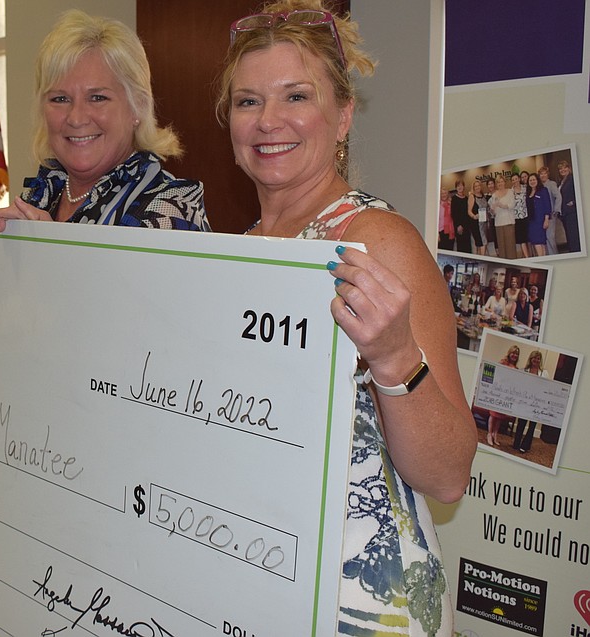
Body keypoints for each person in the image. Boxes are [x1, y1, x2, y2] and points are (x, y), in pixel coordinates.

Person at [217, 2, 476, 633]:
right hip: (253, 576)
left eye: (296, 95)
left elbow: (447, 475)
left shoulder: (375, 242)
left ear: (344, 116)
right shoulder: (232, 248)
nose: (269, 121)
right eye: (248, 101)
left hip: (358, 601)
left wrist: (394, 359)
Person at [0, 10, 210, 234]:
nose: (76, 118)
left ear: (138, 106)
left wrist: (55, 253)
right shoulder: (41, 194)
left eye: (97, 97)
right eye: (60, 99)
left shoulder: (171, 206)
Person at [512, 350, 549, 453]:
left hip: (537, 403)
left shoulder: (544, 373)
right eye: (534, 358)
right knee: (521, 423)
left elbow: (546, 388)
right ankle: (516, 444)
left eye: (538, 358)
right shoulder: (524, 370)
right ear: (530, 359)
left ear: (540, 360)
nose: (536, 360)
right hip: (525, 402)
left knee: (532, 426)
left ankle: (525, 446)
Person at [488, 345, 520, 446]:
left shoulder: (516, 368)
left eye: (517, 354)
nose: (514, 355)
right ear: (509, 353)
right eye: (513, 353)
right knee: (493, 415)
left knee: (500, 417)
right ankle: (489, 434)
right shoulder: (503, 362)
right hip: (498, 392)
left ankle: (495, 434)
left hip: (506, 395)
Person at [490, 175, 517, 259]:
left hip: (508, 222)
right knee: (501, 247)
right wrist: (492, 209)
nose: (500, 183)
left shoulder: (510, 192)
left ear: (504, 182)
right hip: (498, 223)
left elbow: (512, 205)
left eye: (501, 181)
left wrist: (502, 205)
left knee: (510, 246)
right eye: (498, 182)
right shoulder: (494, 195)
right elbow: (492, 213)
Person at [527, 172, 552, 257]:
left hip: (540, 220)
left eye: (534, 179)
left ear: (537, 180)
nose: (532, 181)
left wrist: (546, 219)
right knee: (538, 242)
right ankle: (543, 258)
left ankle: (541, 258)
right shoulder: (528, 193)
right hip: (531, 221)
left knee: (539, 241)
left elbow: (547, 205)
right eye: (530, 180)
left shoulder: (543, 190)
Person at [539, 165, 562, 255]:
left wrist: (556, 210)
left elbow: (558, 196)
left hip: (551, 215)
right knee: (546, 238)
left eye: (545, 173)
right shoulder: (540, 186)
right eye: (541, 174)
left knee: (550, 237)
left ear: (548, 174)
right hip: (543, 216)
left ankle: (555, 255)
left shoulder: (551, 184)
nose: (543, 175)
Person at [557, 160, 579, 253]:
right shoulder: (561, 181)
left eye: (564, 167)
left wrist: (573, 202)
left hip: (571, 212)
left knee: (573, 235)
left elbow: (578, 193)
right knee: (569, 236)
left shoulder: (572, 179)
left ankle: (576, 252)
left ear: (569, 168)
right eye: (560, 168)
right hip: (564, 213)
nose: (562, 170)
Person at [510, 173, 530, 258]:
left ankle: (530, 255)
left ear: (519, 179)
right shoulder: (510, 192)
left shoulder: (525, 188)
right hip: (517, 218)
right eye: (513, 180)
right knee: (521, 239)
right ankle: (527, 257)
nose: (515, 181)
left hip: (526, 216)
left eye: (516, 179)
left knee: (528, 237)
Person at [468, 180, 488, 256]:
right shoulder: (472, 196)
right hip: (476, 223)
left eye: (478, 185)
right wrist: (474, 216)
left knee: (483, 242)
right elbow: (469, 211)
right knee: (483, 242)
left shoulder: (483, 196)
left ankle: (481, 257)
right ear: (473, 188)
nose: (477, 187)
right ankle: (482, 258)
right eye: (475, 186)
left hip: (484, 222)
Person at [450, 180, 472, 252]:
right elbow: (453, 214)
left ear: (464, 187)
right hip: (459, 227)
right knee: (461, 246)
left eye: (461, 185)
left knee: (468, 247)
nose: (460, 187)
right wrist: (458, 225)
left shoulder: (466, 198)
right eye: (458, 186)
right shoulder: (454, 199)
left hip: (467, 226)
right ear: (456, 188)